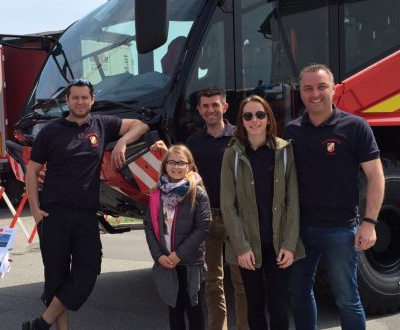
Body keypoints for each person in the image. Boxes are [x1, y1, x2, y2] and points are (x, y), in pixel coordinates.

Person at [22, 79, 149, 330]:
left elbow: (140, 125)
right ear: (67, 101)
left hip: (86, 214)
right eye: (75, 98)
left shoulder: (102, 124)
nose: (80, 102)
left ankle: (41, 324)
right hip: (54, 213)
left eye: (84, 98)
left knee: (88, 271)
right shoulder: (51, 131)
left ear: (92, 100)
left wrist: (122, 141)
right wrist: (35, 210)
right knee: (56, 277)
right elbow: (32, 172)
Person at [285, 64, 385, 330]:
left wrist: (369, 222)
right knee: (299, 293)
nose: (314, 93)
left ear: (334, 89)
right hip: (300, 231)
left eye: (321, 87)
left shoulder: (355, 127)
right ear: (300, 92)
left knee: (346, 298)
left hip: (341, 229)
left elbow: (376, 177)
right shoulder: (291, 131)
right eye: (308, 88)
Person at [152, 86, 248, 330]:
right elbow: (186, 174)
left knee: (241, 281)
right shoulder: (194, 141)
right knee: (213, 282)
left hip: (237, 218)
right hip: (208, 218)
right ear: (199, 110)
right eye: (205, 106)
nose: (210, 110)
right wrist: (167, 155)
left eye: (215, 105)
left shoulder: (240, 137)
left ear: (225, 107)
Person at [220, 95, 304, 330]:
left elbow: (293, 202)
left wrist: (289, 244)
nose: (254, 120)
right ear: (242, 121)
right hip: (249, 246)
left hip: (279, 246)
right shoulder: (232, 155)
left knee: (279, 306)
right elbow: (228, 206)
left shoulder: (284, 152)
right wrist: (241, 247)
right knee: (254, 306)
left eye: (260, 114)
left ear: (268, 119)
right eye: (248, 116)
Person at [144, 144, 211, 330]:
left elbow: (203, 226)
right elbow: (149, 226)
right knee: (174, 310)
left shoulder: (197, 193)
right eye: (172, 162)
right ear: (165, 165)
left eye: (181, 162)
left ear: (189, 166)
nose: (176, 166)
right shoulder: (156, 193)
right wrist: (159, 256)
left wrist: (178, 254)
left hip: (189, 261)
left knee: (194, 309)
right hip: (165, 260)